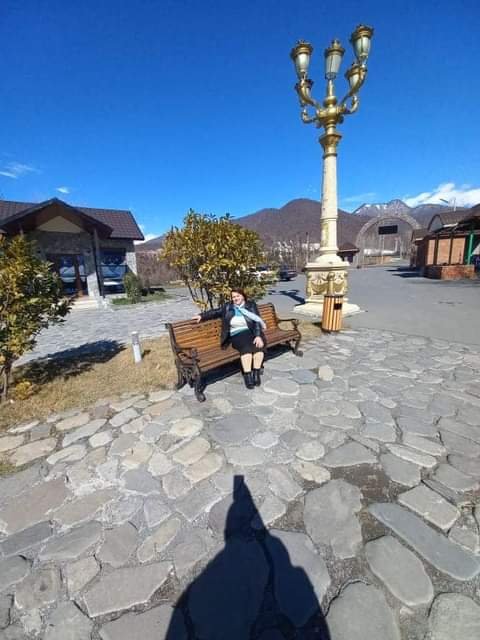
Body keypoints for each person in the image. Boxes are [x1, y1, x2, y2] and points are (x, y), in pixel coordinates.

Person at [194, 288, 266, 389]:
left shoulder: (251, 305)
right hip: (237, 334)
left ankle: (256, 373)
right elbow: (215, 312)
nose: (235, 298)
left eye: (238, 296)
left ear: (243, 296)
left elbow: (256, 321)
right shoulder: (228, 307)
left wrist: (258, 336)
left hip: (251, 331)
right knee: (246, 348)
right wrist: (202, 316)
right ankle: (248, 375)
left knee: (259, 346)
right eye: (233, 297)